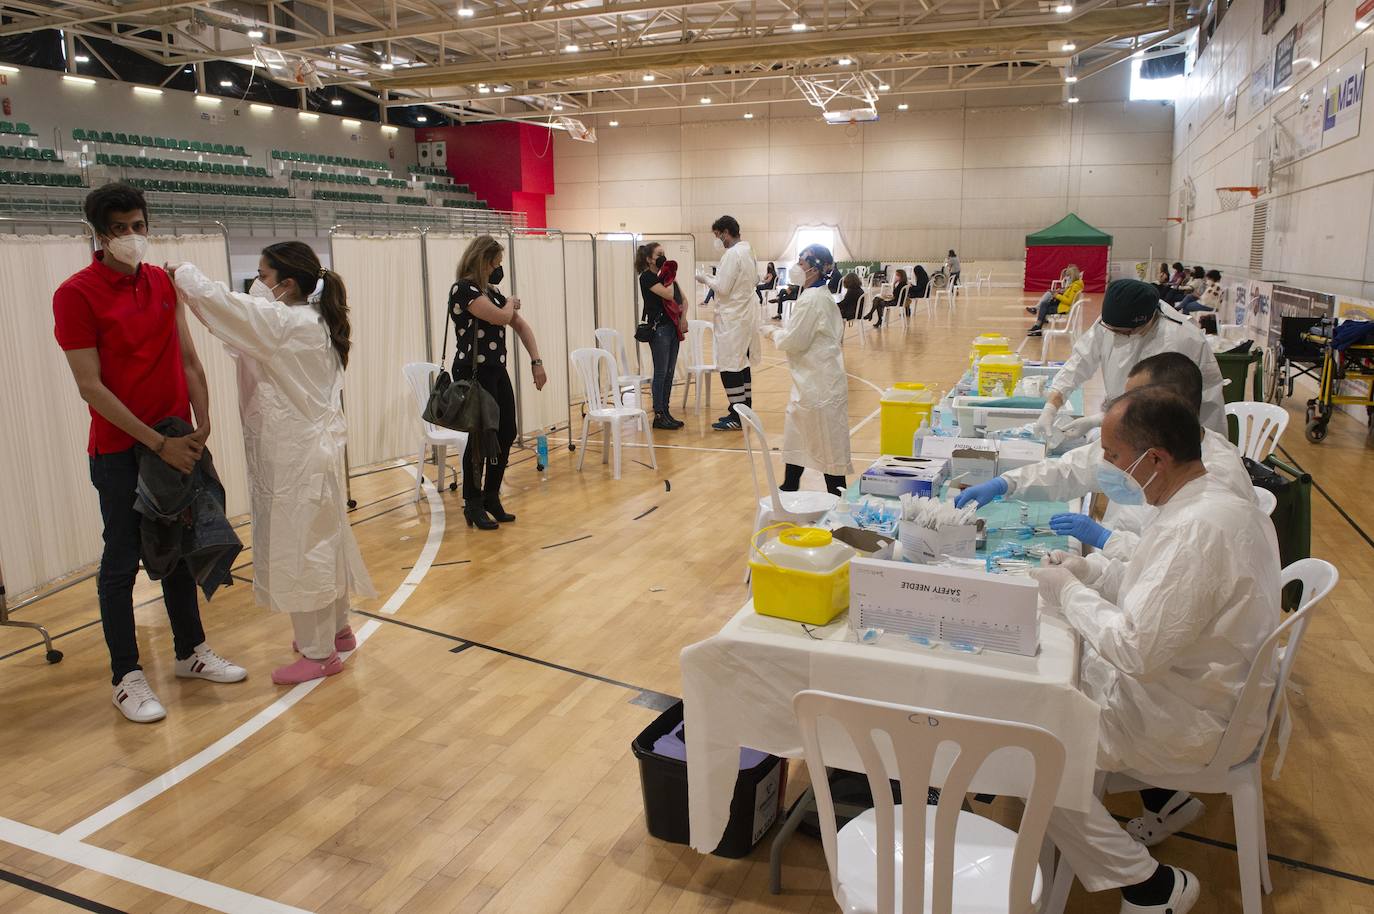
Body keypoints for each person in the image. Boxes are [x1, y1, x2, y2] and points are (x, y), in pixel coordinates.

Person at [1027, 388, 1281, 914]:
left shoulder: (1198, 529)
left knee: (1026, 748)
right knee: (1046, 690)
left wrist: (1069, 592)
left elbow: (1137, 648)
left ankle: (1150, 887)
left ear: (1155, 459)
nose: (1107, 467)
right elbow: (1160, 592)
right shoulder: (1204, 500)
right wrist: (1091, 570)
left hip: (1185, 717)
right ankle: (1162, 805)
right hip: (1195, 690)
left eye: (1114, 457)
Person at [53, 183, 245, 723]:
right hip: (120, 451)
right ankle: (126, 675)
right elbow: (90, 386)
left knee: (181, 547)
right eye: (120, 229)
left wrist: (203, 418)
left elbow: (186, 356)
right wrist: (156, 441)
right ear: (98, 234)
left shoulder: (161, 281)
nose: (132, 237)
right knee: (121, 559)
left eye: (139, 225)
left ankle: (190, 652)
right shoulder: (76, 294)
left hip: (176, 440)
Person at [170, 243, 376, 685]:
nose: (258, 285)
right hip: (309, 454)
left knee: (303, 550)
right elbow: (241, 319)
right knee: (324, 541)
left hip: (296, 458)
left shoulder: (286, 323)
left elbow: (228, 307)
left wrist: (183, 274)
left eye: (264, 276)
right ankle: (338, 632)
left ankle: (319, 654)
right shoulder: (312, 320)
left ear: (288, 283)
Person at [956, 353, 1257, 556]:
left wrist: (1106, 541)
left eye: (1135, 401)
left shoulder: (1215, 486)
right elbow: (1072, 469)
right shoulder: (1144, 445)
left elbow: (1167, 566)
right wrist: (1005, 484)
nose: (1108, 460)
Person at [1036, 278, 1227, 439]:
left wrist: (1099, 420)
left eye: (1123, 333)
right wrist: (1051, 407)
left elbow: (1160, 408)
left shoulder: (1180, 340)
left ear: (1147, 320)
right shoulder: (1111, 321)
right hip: (1126, 418)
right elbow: (1079, 362)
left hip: (1176, 434)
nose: (1116, 336)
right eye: (1112, 330)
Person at [449, 235, 548, 528]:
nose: (498, 268)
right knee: (481, 437)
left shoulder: (491, 291)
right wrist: (508, 303)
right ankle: (473, 502)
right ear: (484, 261)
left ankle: (491, 494)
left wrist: (536, 361)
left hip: (495, 369)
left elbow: (519, 324)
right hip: (473, 372)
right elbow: (501, 317)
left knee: (506, 432)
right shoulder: (463, 290)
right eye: (496, 263)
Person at [761, 244, 851, 496]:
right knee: (797, 434)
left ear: (816, 268)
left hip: (819, 385)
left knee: (828, 445)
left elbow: (794, 340)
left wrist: (770, 331)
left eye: (802, 262)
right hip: (812, 380)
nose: (797, 267)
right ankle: (789, 487)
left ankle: (838, 501)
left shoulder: (812, 300)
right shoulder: (816, 296)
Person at [696, 216, 759, 431]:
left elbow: (722, 287)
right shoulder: (749, 250)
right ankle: (745, 409)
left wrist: (705, 279)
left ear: (725, 232)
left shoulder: (733, 254)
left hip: (732, 317)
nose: (717, 240)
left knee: (729, 365)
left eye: (717, 235)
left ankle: (737, 413)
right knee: (741, 363)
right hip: (743, 315)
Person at [636, 242, 687, 430]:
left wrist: (684, 317)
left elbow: (683, 299)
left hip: (672, 328)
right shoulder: (647, 278)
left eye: (664, 253)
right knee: (660, 372)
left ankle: (665, 411)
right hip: (659, 330)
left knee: (670, 372)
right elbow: (668, 294)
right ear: (649, 259)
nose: (663, 257)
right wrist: (670, 275)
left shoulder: (665, 276)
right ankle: (658, 414)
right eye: (659, 254)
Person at [1027, 264, 1083, 336]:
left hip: (1064, 308)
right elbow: (1068, 295)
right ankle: (1038, 325)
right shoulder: (1076, 284)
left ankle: (1038, 326)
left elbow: (1069, 301)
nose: (1066, 279)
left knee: (1044, 305)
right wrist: (1059, 292)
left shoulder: (1075, 286)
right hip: (1063, 305)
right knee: (1045, 303)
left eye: (1068, 277)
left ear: (1072, 276)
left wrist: (1056, 295)